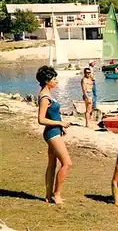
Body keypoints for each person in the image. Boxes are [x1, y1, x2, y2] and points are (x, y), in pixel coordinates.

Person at [36, 65, 72, 205]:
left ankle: (48, 195)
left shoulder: (48, 94)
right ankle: (56, 194)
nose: (56, 81)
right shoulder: (44, 97)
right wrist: (60, 124)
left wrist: (60, 125)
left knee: (52, 164)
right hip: (52, 133)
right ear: (47, 80)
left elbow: (53, 115)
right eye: (54, 79)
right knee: (67, 163)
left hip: (55, 131)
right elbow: (41, 119)